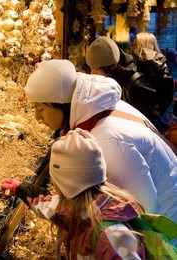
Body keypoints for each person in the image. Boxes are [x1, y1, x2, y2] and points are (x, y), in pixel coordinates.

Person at [16, 59, 177, 223]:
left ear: (60, 103)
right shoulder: (100, 108)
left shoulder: (107, 140)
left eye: (40, 108)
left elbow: (139, 209)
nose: (37, 117)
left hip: (166, 230)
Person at [2, 129, 147, 259]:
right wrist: (23, 190)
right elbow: (55, 209)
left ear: (64, 184)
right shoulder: (85, 206)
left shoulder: (112, 238)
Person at [86, 36, 174, 134]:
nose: (92, 73)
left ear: (110, 67)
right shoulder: (119, 74)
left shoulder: (135, 85)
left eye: (96, 68)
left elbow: (150, 125)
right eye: (91, 68)